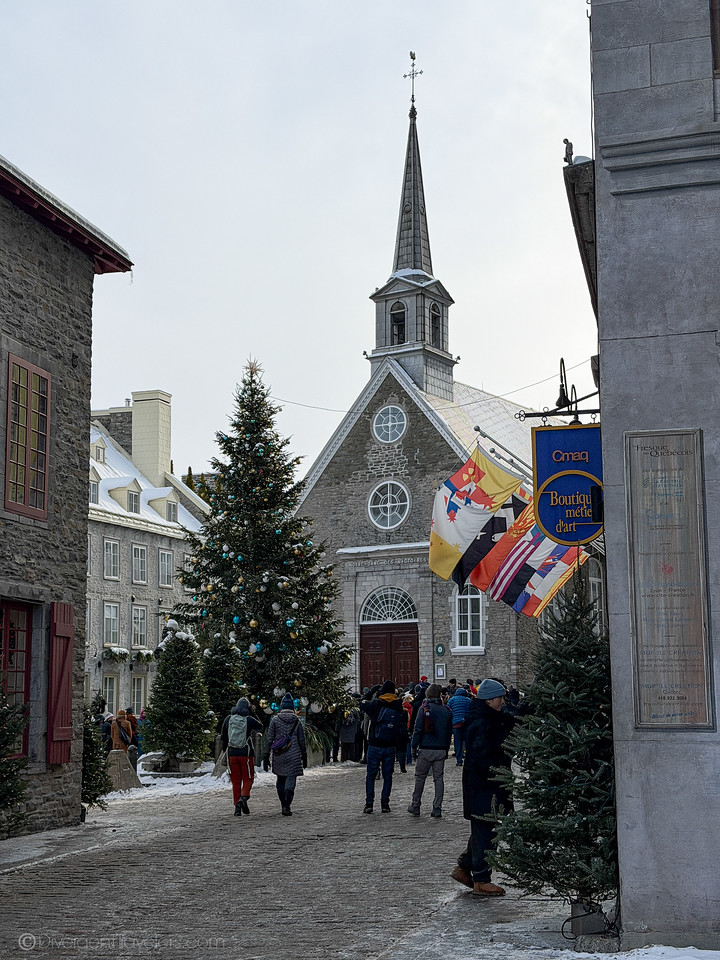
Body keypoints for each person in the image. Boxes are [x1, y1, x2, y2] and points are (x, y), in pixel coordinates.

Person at [452, 678, 514, 898]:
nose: (502, 702)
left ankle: (465, 867)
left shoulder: (489, 718)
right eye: (499, 698)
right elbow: (484, 754)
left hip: (486, 783)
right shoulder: (483, 722)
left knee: (484, 827)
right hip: (485, 784)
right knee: (485, 829)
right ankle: (481, 879)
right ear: (489, 700)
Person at [359, 680, 408, 813]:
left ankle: (369, 804)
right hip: (390, 745)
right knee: (388, 776)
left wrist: (372, 690)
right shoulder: (397, 705)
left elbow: (361, 702)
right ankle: (385, 804)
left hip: (375, 744)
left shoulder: (376, 704)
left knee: (371, 775)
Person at [407, 683, 452, 818]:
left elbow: (418, 729)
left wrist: (413, 746)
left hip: (426, 748)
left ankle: (416, 805)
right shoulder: (446, 710)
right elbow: (448, 732)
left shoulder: (424, 709)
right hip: (440, 749)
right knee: (438, 779)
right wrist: (446, 749)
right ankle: (437, 807)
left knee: (420, 778)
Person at [262, 693, 307, 816]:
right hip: (294, 754)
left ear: (282, 706)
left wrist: (266, 756)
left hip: (279, 754)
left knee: (280, 779)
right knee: (290, 780)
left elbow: (269, 739)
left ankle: (283, 804)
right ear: (292, 707)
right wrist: (304, 755)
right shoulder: (297, 721)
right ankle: (287, 804)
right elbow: (301, 740)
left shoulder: (275, 720)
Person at [221, 697, 263, 816]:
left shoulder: (228, 719)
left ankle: (237, 808)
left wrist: (226, 751)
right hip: (246, 753)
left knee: (236, 782)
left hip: (232, 753)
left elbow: (223, 737)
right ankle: (243, 799)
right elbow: (261, 726)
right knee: (248, 778)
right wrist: (253, 713)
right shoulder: (249, 719)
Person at [447, 684, 472, 765]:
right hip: (466, 723)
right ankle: (467, 758)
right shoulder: (468, 700)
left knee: (457, 742)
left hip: (456, 723)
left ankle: (459, 760)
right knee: (466, 741)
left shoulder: (452, 700)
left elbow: (448, 710)